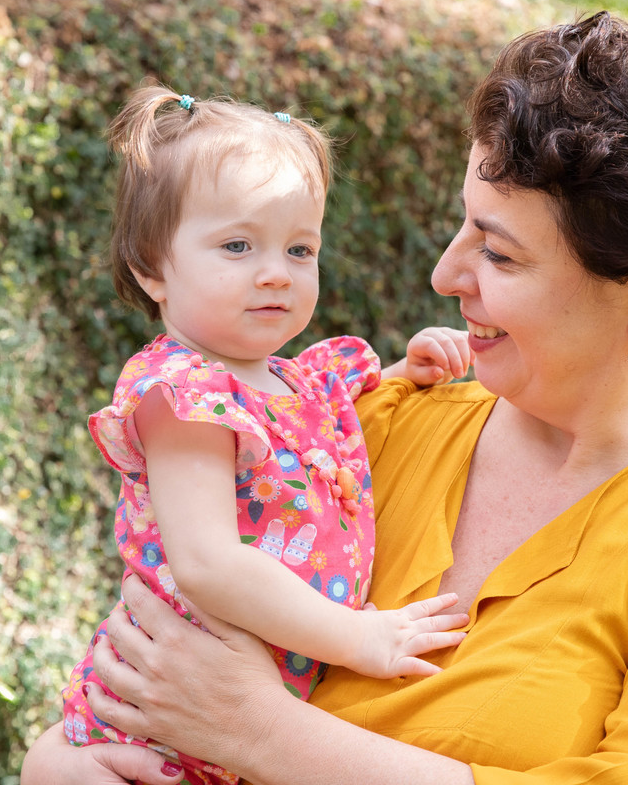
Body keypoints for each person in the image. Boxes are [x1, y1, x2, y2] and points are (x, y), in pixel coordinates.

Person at [23, 13, 628, 785]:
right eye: (464, 227)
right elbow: (132, 690)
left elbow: (222, 706)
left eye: (499, 254)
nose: (445, 276)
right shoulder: (354, 435)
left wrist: (262, 732)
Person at [58, 84, 474, 785]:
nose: (276, 273)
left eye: (300, 248)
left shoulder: (305, 383)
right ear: (151, 269)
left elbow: (335, 435)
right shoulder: (183, 397)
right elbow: (208, 563)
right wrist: (359, 639)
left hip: (238, 732)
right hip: (152, 729)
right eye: (238, 245)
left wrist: (411, 368)